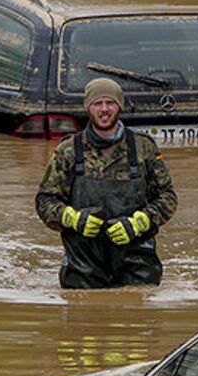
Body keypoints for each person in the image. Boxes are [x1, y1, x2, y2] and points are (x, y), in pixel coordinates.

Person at [35, 77, 177, 288]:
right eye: (97, 103)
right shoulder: (68, 150)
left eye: (110, 102)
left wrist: (141, 222)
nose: (104, 109)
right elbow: (44, 201)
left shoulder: (143, 148)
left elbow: (168, 198)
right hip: (82, 268)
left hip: (137, 266)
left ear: (119, 105)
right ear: (88, 108)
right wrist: (71, 218)